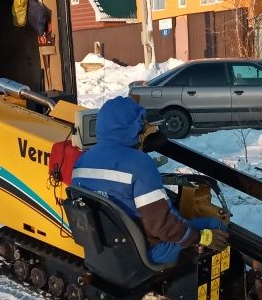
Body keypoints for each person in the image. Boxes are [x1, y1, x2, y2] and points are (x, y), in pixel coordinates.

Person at [71, 96, 229, 264]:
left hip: (105, 252)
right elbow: (161, 225)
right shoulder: (139, 163)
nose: (143, 129)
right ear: (132, 128)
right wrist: (200, 237)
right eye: (141, 124)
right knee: (214, 225)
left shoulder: (81, 161)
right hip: (145, 254)